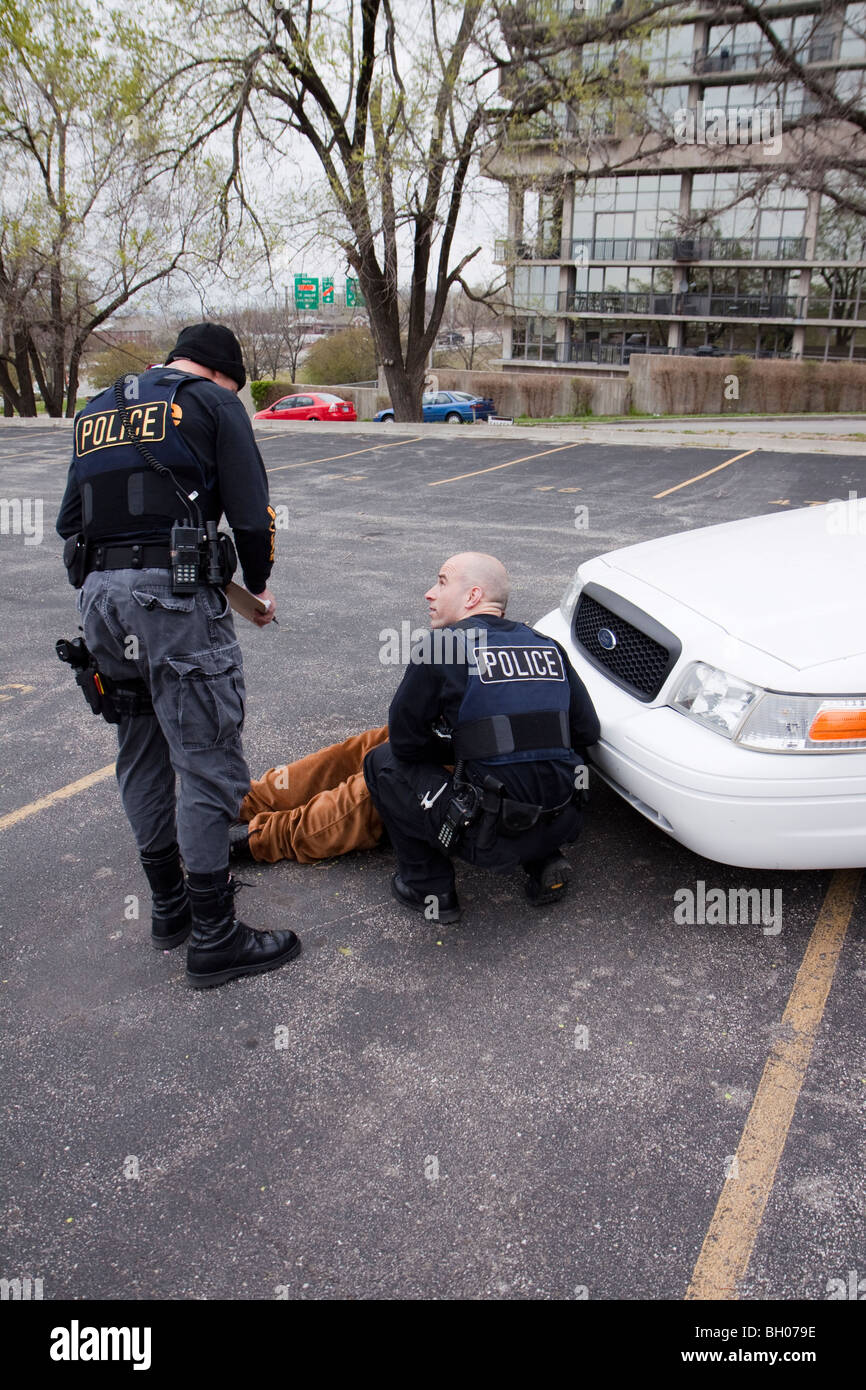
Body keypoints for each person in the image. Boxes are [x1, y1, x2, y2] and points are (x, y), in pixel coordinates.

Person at [56, 322, 300, 987]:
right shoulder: (214, 402)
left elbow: (68, 526)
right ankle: (216, 937)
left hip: (100, 600)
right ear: (224, 375)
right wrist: (258, 583)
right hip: (172, 601)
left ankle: (169, 910)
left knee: (140, 747)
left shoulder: (97, 410)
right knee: (208, 757)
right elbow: (251, 513)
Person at [231, 554, 600, 923]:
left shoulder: (443, 646)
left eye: (441, 582)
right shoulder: (547, 646)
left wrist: (464, 747)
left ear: (472, 596)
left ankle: (429, 886)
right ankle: (542, 860)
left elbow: (407, 746)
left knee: (383, 761)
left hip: (490, 831)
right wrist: (478, 742)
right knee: (398, 741)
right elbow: (586, 732)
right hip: (559, 820)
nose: (429, 593)